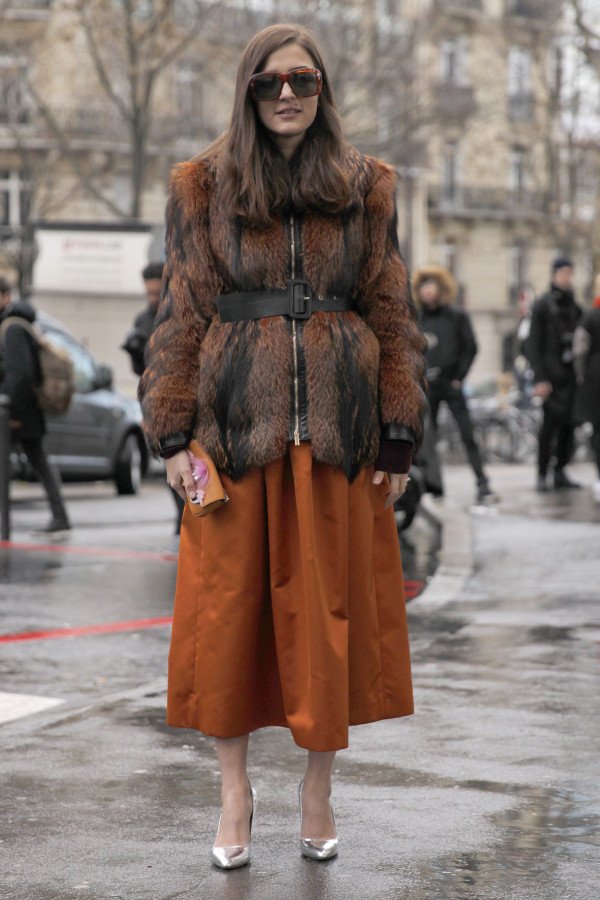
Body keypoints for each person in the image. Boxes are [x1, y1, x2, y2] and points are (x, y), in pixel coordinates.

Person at [138, 24, 426, 869]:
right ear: (248, 93)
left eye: (303, 80)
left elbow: (389, 308)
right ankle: (234, 793)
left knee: (327, 626)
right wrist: (169, 433)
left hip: (338, 436)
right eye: (270, 84)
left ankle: (317, 787)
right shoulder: (202, 186)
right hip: (233, 437)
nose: (288, 94)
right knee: (225, 623)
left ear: (323, 89)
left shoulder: (369, 187)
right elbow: (180, 317)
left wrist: (400, 432)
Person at [412, 264, 495, 504]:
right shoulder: (417, 318)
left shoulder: (457, 316)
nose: (428, 291)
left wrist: (459, 376)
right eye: (424, 287)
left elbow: (471, 347)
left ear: (441, 288)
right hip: (427, 386)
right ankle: (433, 485)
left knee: (467, 434)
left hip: (451, 384)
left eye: (432, 286)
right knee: (427, 437)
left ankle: (482, 482)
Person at [0, 277, 70, 533]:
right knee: (39, 461)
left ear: (5, 297)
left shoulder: (13, 328)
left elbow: (21, 375)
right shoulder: (14, 326)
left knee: (37, 460)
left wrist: (10, 410)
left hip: (18, 411)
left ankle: (59, 517)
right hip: (22, 410)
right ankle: (60, 517)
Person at [122, 261, 185, 542]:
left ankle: (188, 520)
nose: (153, 299)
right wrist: (135, 353)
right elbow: (142, 372)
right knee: (168, 466)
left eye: (157, 292)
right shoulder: (143, 319)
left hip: (182, 397)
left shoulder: (182, 312)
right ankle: (180, 519)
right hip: (155, 401)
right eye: (148, 293)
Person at [529, 255, 583, 491]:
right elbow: (533, 344)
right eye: (564, 273)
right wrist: (540, 378)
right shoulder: (542, 305)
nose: (567, 278)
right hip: (550, 379)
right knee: (548, 429)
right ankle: (542, 473)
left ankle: (560, 471)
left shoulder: (574, 306)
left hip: (570, 378)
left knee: (569, 428)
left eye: (570, 274)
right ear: (554, 274)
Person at [573, 273, 600, 503]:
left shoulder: (590, 317)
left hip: (595, 380)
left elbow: (579, 350)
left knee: (598, 432)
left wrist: (581, 376)